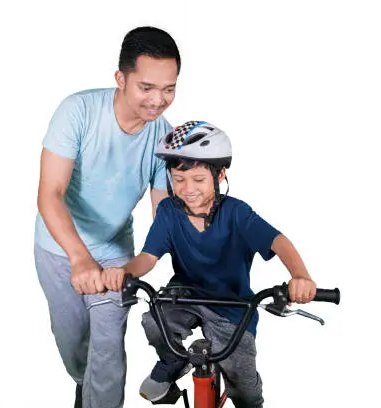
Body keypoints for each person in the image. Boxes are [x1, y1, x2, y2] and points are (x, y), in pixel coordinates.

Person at [102, 121, 317, 408]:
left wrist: (300, 276)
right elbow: (148, 257)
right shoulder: (168, 212)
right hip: (185, 294)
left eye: (198, 180)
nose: (187, 189)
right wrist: (124, 272)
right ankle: (174, 361)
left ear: (220, 175)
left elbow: (279, 242)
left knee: (243, 384)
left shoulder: (237, 213)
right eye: (178, 180)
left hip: (232, 306)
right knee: (154, 319)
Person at [34, 26, 180, 408]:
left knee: (109, 345)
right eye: (146, 87)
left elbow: (163, 210)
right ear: (121, 79)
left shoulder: (164, 138)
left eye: (169, 89)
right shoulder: (77, 111)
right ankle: (84, 382)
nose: (158, 100)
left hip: (116, 250)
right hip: (59, 248)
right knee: (73, 344)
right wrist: (80, 258)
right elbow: (50, 194)